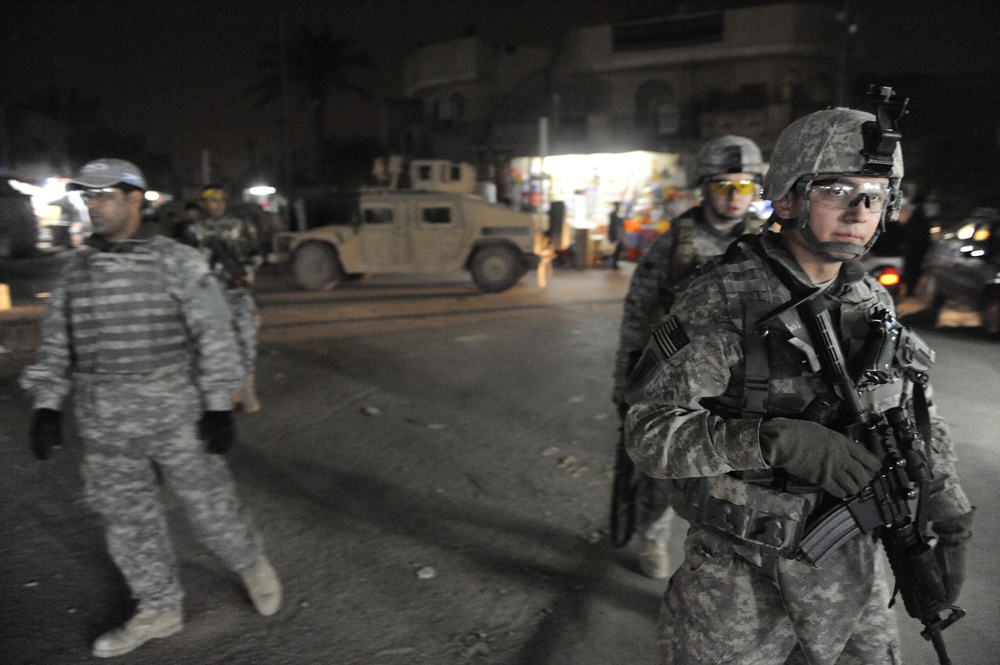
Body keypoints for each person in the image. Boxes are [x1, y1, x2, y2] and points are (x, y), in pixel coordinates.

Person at [623, 105, 974, 663]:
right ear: (786, 199)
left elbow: (916, 412)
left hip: (858, 573)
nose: (859, 210)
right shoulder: (722, 299)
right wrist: (773, 440)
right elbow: (648, 433)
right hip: (740, 578)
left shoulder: (872, 301)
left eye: (875, 193)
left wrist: (949, 512)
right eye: (836, 189)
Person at [20, 159, 282, 658]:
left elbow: (214, 333)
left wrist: (217, 404)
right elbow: (56, 342)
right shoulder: (77, 269)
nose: (92, 205)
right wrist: (47, 404)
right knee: (127, 520)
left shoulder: (176, 260)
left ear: (135, 197)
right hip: (104, 421)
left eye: (104, 195)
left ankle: (249, 562)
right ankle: (159, 606)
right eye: (87, 196)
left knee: (210, 508)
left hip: (174, 412)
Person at [611, 135, 766, 579]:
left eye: (745, 186)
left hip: (739, 374)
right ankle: (653, 536)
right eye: (724, 186)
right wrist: (626, 377)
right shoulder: (672, 243)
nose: (735, 197)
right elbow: (637, 312)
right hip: (673, 373)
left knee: (728, 471)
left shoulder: (764, 243)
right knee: (661, 464)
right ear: (704, 187)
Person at [188, 183, 264, 412]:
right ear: (203, 204)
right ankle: (227, 394)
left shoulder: (240, 226)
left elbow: (257, 253)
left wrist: (248, 271)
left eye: (220, 199)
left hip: (238, 293)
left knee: (246, 342)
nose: (216, 204)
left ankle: (246, 390)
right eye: (210, 200)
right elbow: (187, 263)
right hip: (209, 297)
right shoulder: (195, 231)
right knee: (214, 348)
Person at [607, 201, 625, 269]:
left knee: (615, 249)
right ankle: (613, 264)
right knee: (615, 249)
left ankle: (614, 263)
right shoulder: (614, 215)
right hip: (614, 235)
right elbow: (616, 227)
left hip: (614, 235)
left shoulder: (614, 214)